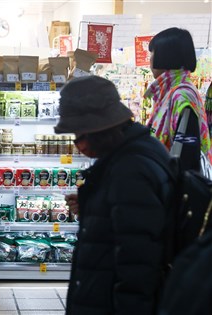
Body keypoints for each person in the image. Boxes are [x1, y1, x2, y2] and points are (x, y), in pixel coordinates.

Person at [56, 76, 175, 315]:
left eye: (79, 134)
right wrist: (94, 206)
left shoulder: (131, 170)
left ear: (98, 130)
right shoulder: (134, 153)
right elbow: (124, 224)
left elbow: (138, 264)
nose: (78, 144)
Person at [145, 27, 212, 171]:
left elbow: (187, 153)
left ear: (166, 56)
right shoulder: (169, 91)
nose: (149, 60)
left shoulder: (181, 95)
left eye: (153, 53)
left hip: (176, 186)